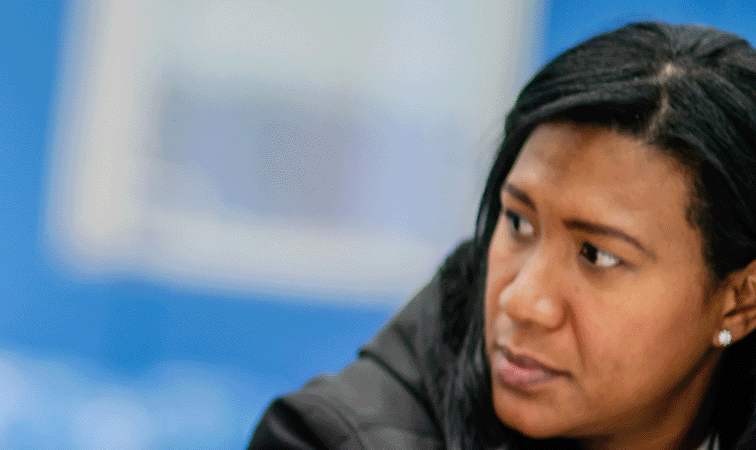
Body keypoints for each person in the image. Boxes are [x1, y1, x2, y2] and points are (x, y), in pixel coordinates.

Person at [250, 22, 756, 450]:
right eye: (518, 222)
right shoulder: (331, 438)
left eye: (596, 255)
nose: (522, 300)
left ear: (740, 300)